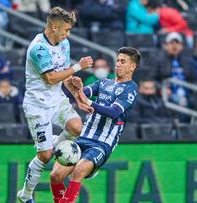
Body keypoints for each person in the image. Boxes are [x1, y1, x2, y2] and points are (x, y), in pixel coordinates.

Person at [17, 7, 93, 203]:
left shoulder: (64, 44)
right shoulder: (38, 48)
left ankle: (56, 147)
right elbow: (50, 78)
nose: (68, 34)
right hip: (37, 105)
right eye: (66, 30)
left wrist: (77, 95)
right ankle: (25, 194)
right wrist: (78, 67)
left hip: (57, 99)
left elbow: (63, 74)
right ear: (54, 26)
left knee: (77, 127)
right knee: (44, 156)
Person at [49, 47, 140, 203]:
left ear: (133, 67)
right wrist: (75, 84)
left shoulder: (131, 89)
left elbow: (113, 112)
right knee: (55, 176)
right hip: (83, 137)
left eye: (123, 61)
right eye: (117, 60)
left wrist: (88, 101)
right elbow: (83, 93)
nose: (118, 64)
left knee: (78, 171)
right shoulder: (104, 82)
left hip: (102, 143)